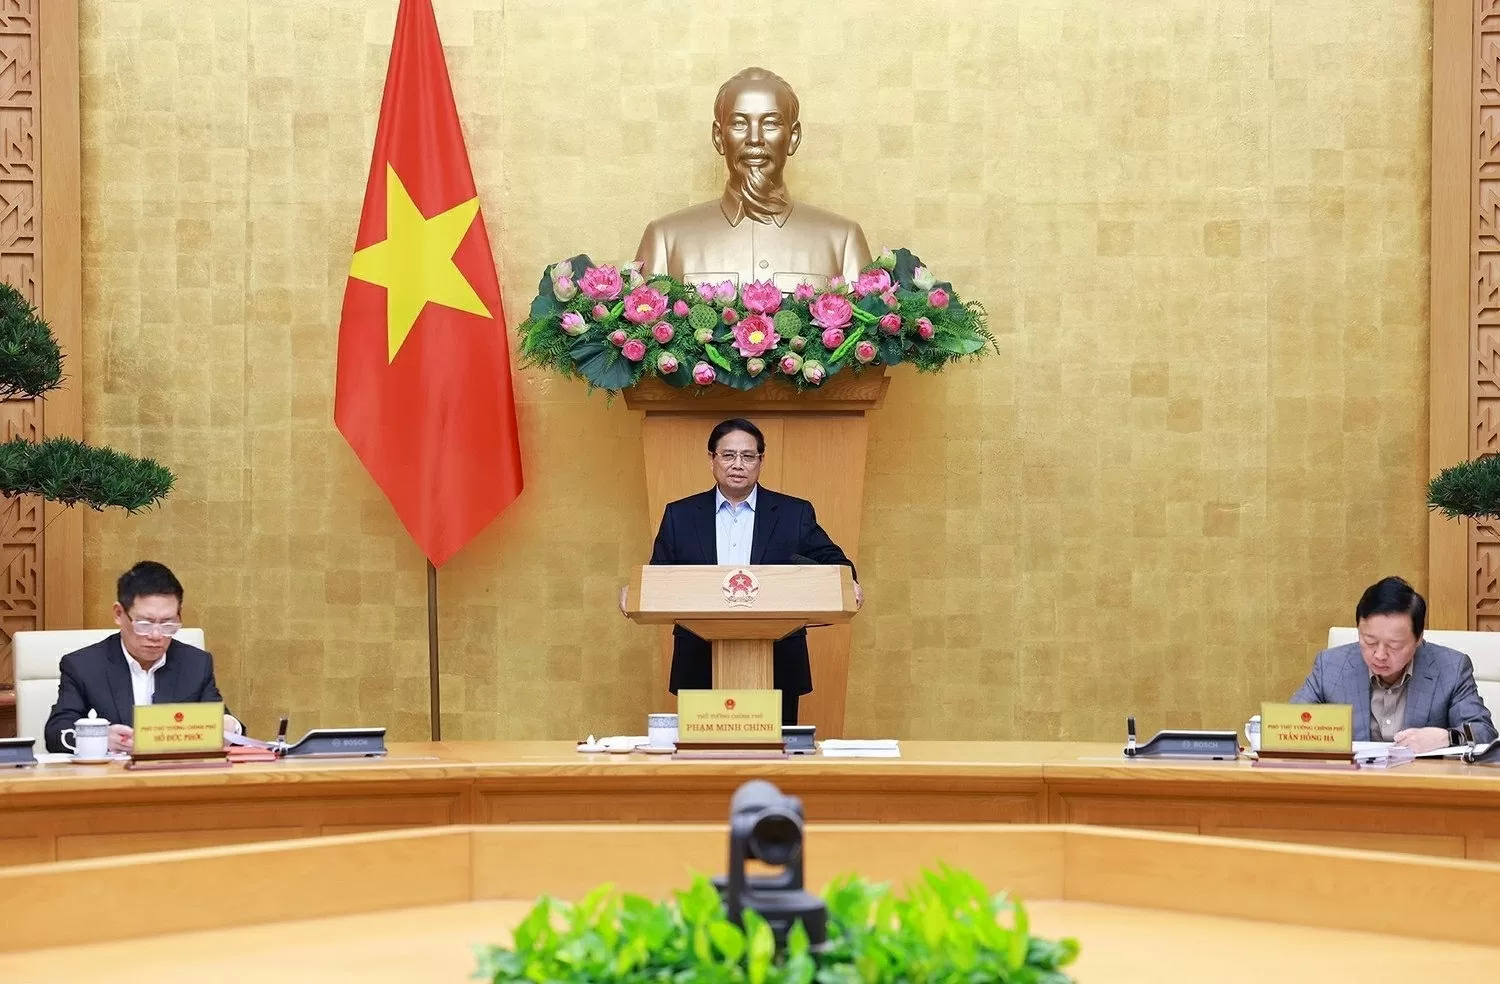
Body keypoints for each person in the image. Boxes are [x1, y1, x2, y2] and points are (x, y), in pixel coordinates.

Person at [637, 418, 861, 725]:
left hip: (778, 660)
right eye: (728, 455)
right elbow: (658, 578)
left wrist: (848, 583)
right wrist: (637, 591)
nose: (738, 464)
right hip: (699, 659)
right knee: (705, 762)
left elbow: (836, 564)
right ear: (711, 459)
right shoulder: (680, 515)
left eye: (748, 456)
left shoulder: (793, 514)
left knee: (774, 763)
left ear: (761, 461)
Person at [633, 66, 872, 288]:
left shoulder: (843, 241)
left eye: (770, 123)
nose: (755, 138)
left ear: (793, 137)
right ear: (719, 137)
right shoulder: (665, 239)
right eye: (739, 123)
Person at [44, 561, 242, 754]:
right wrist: (100, 738)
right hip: (112, 781)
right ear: (119, 614)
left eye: (167, 624)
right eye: (145, 624)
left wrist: (230, 727)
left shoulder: (196, 664)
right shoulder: (83, 666)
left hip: (176, 779)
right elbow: (56, 733)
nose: (156, 636)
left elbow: (224, 724)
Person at [1290, 576, 1496, 751]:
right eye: (1369, 641)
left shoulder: (1451, 668)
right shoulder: (1330, 666)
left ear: (1418, 639)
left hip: (1421, 787)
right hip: (1351, 787)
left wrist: (1447, 738)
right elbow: (1290, 725)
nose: (1379, 654)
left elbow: (1483, 731)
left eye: (1394, 646)